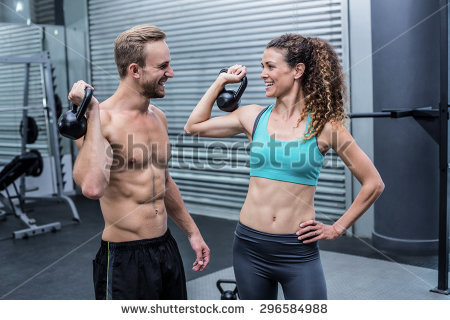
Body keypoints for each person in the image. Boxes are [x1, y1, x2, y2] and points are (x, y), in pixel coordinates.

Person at [184, 34, 384, 300]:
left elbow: (373, 183)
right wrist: (221, 81)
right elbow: (193, 127)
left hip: (297, 252)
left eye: (270, 66)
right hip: (249, 247)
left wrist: (337, 228)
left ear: (298, 70)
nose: (262, 74)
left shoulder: (326, 128)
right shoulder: (252, 116)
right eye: (261, 66)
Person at [68, 24, 210, 300]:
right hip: (124, 259)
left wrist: (192, 233)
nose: (171, 73)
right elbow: (92, 187)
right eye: (163, 66)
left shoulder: (159, 117)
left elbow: (164, 182)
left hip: (165, 248)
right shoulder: (100, 121)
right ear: (135, 70)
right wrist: (93, 113)